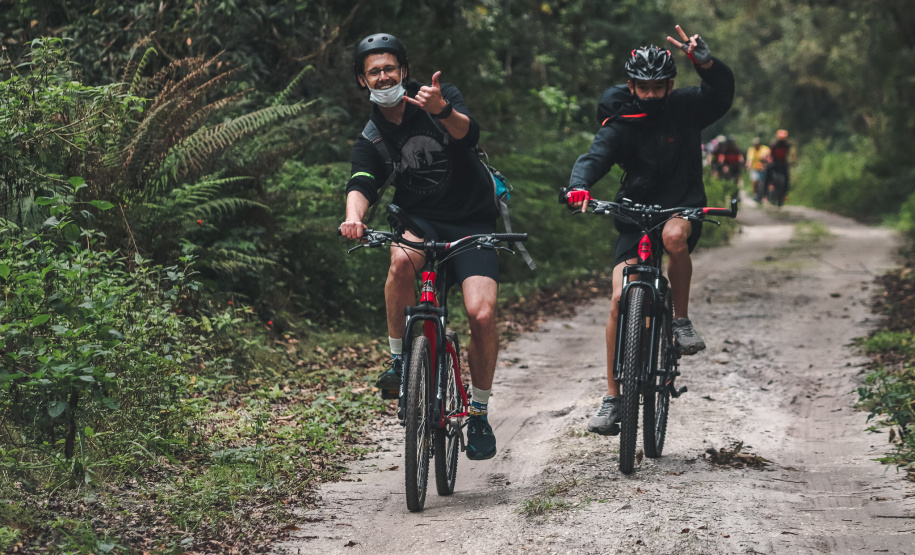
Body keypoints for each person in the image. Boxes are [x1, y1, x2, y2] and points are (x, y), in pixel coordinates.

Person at [561, 25, 734, 435]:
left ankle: (681, 321)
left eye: (659, 87)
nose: (652, 94)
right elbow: (595, 156)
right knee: (618, 299)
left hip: (682, 206)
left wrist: (707, 64)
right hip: (634, 214)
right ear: (631, 86)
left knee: (673, 238)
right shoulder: (623, 119)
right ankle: (613, 397)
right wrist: (578, 186)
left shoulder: (687, 108)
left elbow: (721, 94)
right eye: (644, 87)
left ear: (670, 85)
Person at [339, 33, 503, 460]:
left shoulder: (438, 97)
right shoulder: (373, 134)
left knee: (482, 314)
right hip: (419, 220)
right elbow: (362, 181)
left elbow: (468, 135)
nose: (383, 76)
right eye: (374, 71)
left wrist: (442, 110)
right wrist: (354, 217)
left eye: (389, 68)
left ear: (404, 71)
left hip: (472, 218)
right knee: (400, 264)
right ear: (363, 80)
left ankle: (479, 412)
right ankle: (399, 361)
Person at [766, 129, 792, 205]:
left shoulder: (787, 145)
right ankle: (765, 194)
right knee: (767, 174)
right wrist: (769, 161)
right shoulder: (774, 144)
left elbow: (790, 155)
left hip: (783, 163)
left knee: (787, 178)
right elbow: (770, 155)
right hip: (775, 163)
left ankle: (784, 194)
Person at [745, 137, 770, 202]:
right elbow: (749, 159)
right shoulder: (751, 150)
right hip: (754, 168)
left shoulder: (765, 149)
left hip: (762, 168)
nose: (756, 145)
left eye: (757, 144)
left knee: (762, 182)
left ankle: (763, 195)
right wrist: (748, 165)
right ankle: (755, 194)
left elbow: (768, 157)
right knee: (754, 181)